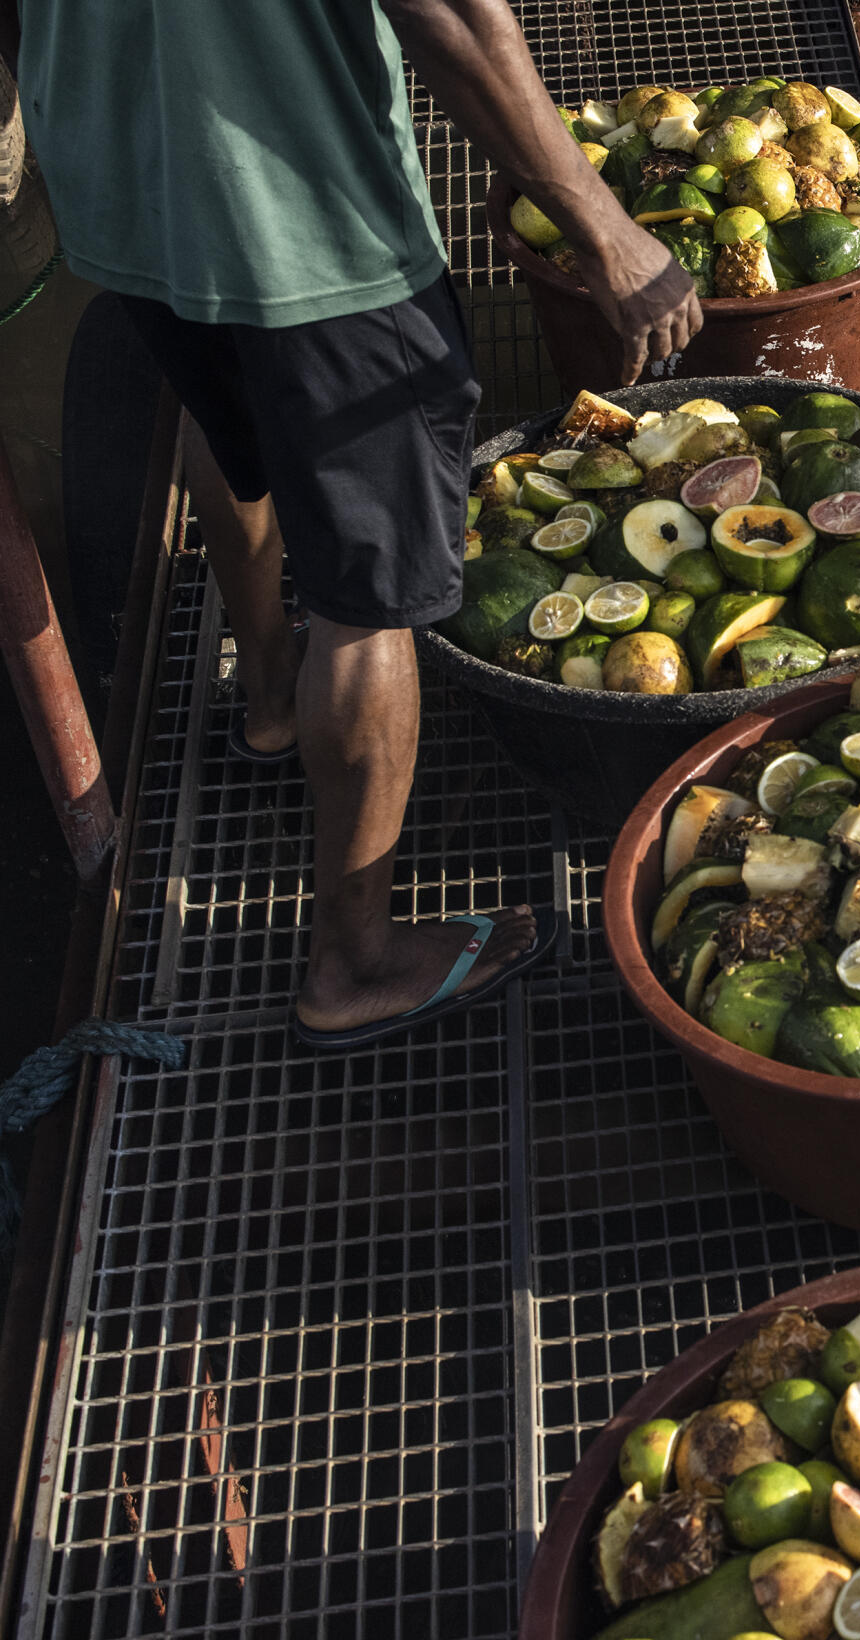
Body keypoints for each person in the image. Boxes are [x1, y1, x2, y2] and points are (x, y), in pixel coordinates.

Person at [3, 0, 703, 1045]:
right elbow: (455, 22)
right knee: (370, 598)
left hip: (123, 179)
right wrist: (603, 227)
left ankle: (272, 694)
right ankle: (355, 960)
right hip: (305, 222)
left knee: (226, 416)